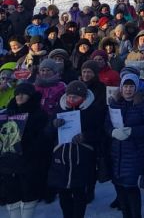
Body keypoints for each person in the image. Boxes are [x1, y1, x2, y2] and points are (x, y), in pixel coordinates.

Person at [49, 80, 106, 218]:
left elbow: (101, 132)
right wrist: (53, 125)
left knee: (80, 193)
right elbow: (47, 132)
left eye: (75, 97)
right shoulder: (60, 108)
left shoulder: (93, 110)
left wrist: (85, 137)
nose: (71, 99)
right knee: (63, 194)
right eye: (69, 96)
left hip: (82, 158)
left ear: (83, 97)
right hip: (61, 157)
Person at [107, 73, 144, 218]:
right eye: (125, 86)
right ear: (121, 87)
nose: (128, 90)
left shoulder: (143, 103)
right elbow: (107, 123)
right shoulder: (114, 102)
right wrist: (112, 132)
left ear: (136, 88)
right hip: (117, 151)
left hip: (134, 150)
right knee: (119, 186)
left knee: (130, 186)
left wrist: (132, 131)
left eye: (131, 86)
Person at [0, 81, 52, 218]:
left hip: (30, 161)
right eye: (17, 94)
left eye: (23, 94)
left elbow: (44, 140)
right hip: (8, 162)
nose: (19, 97)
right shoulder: (6, 114)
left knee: (29, 193)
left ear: (31, 96)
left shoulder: (39, 115)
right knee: (11, 194)